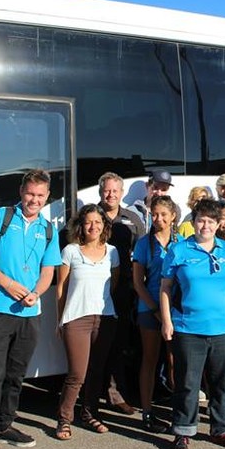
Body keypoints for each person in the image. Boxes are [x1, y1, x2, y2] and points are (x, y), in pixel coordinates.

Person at [0, 169, 62, 449]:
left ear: (47, 197)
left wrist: (36, 293)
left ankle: (5, 424)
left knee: (15, 376)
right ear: (21, 192)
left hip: (28, 314)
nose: (34, 200)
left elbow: (49, 270)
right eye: (29, 194)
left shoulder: (49, 229)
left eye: (40, 196)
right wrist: (7, 283)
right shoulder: (2, 216)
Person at [160, 199, 225, 449]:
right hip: (189, 328)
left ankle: (222, 428)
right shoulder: (179, 250)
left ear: (219, 223)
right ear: (193, 221)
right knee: (187, 383)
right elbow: (165, 288)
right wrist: (167, 320)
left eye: (211, 220)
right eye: (201, 220)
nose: (206, 225)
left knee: (221, 382)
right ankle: (183, 431)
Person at [55, 204, 120, 438]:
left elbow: (112, 285)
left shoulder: (112, 252)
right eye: (88, 222)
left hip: (104, 319)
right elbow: (60, 287)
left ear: (104, 226)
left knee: (96, 371)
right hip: (76, 318)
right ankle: (64, 419)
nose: (93, 226)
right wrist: (60, 320)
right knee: (77, 374)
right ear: (81, 226)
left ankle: (90, 413)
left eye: (98, 222)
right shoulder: (71, 251)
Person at [96, 172, 145, 415]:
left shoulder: (133, 219)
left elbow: (142, 253)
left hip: (124, 289)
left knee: (120, 342)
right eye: (107, 190)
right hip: (96, 289)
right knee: (97, 342)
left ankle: (116, 394)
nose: (111, 195)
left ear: (122, 193)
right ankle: (93, 394)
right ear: (100, 192)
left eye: (115, 191)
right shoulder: (90, 217)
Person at [132, 195, 180, 433]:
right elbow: (138, 283)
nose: (159, 219)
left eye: (164, 214)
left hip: (174, 310)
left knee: (175, 361)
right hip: (149, 309)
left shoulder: (180, 242)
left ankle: (178, 412)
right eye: (155, 214)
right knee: (150, 360)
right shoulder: (143, 244)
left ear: (173, 216)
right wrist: (155, 309)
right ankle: (147, 412)